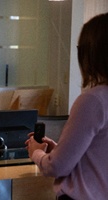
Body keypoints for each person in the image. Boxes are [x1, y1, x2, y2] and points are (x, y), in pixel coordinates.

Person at [26, 12, 108, 200]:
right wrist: (58, 150)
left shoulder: (93, 101)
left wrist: (36, 152)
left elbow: (56, 167)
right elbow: (97, 158)